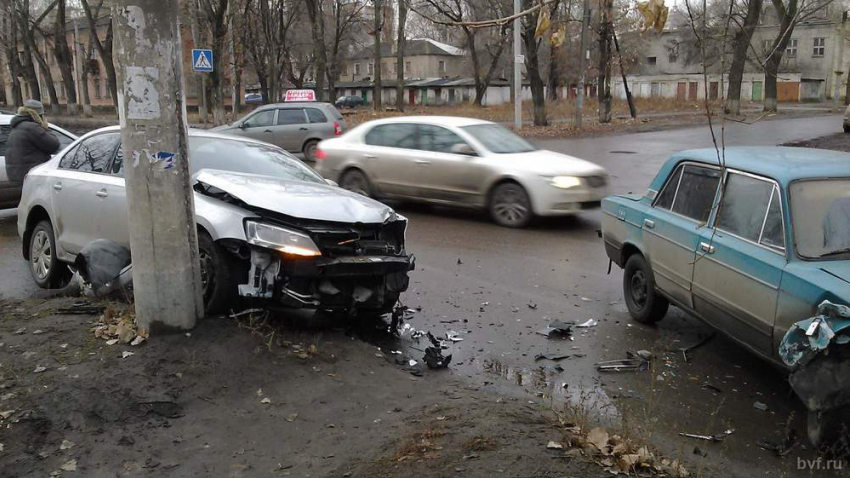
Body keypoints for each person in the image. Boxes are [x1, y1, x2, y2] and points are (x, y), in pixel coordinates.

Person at [5, 99, 60, 187]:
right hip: (32, 176)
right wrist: (45, 128)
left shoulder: (18, 127)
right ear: (38, 115)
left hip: (19, 175)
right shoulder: (32, 128)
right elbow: (54, 145)